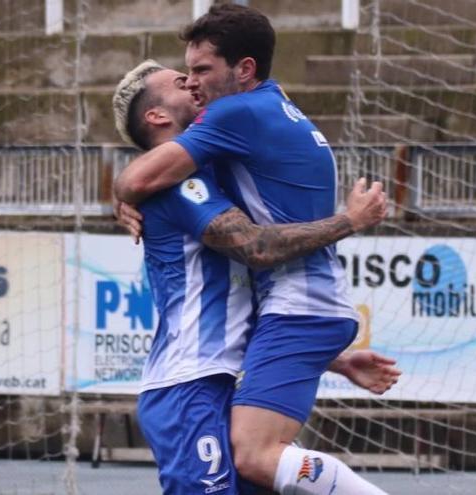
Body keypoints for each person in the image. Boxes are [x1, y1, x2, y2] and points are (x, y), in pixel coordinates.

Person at [114, 5, 390, 494]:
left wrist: (123, 192)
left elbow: (250, 255)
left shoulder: (226, 136)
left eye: (199, 72)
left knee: (259, 457)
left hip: (230, 365)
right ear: (156, 116)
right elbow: (252, 250)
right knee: (259, 458)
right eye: (184, 79)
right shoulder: (189, 180)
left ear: (242, 69)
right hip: (190, 382)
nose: (194, 84)